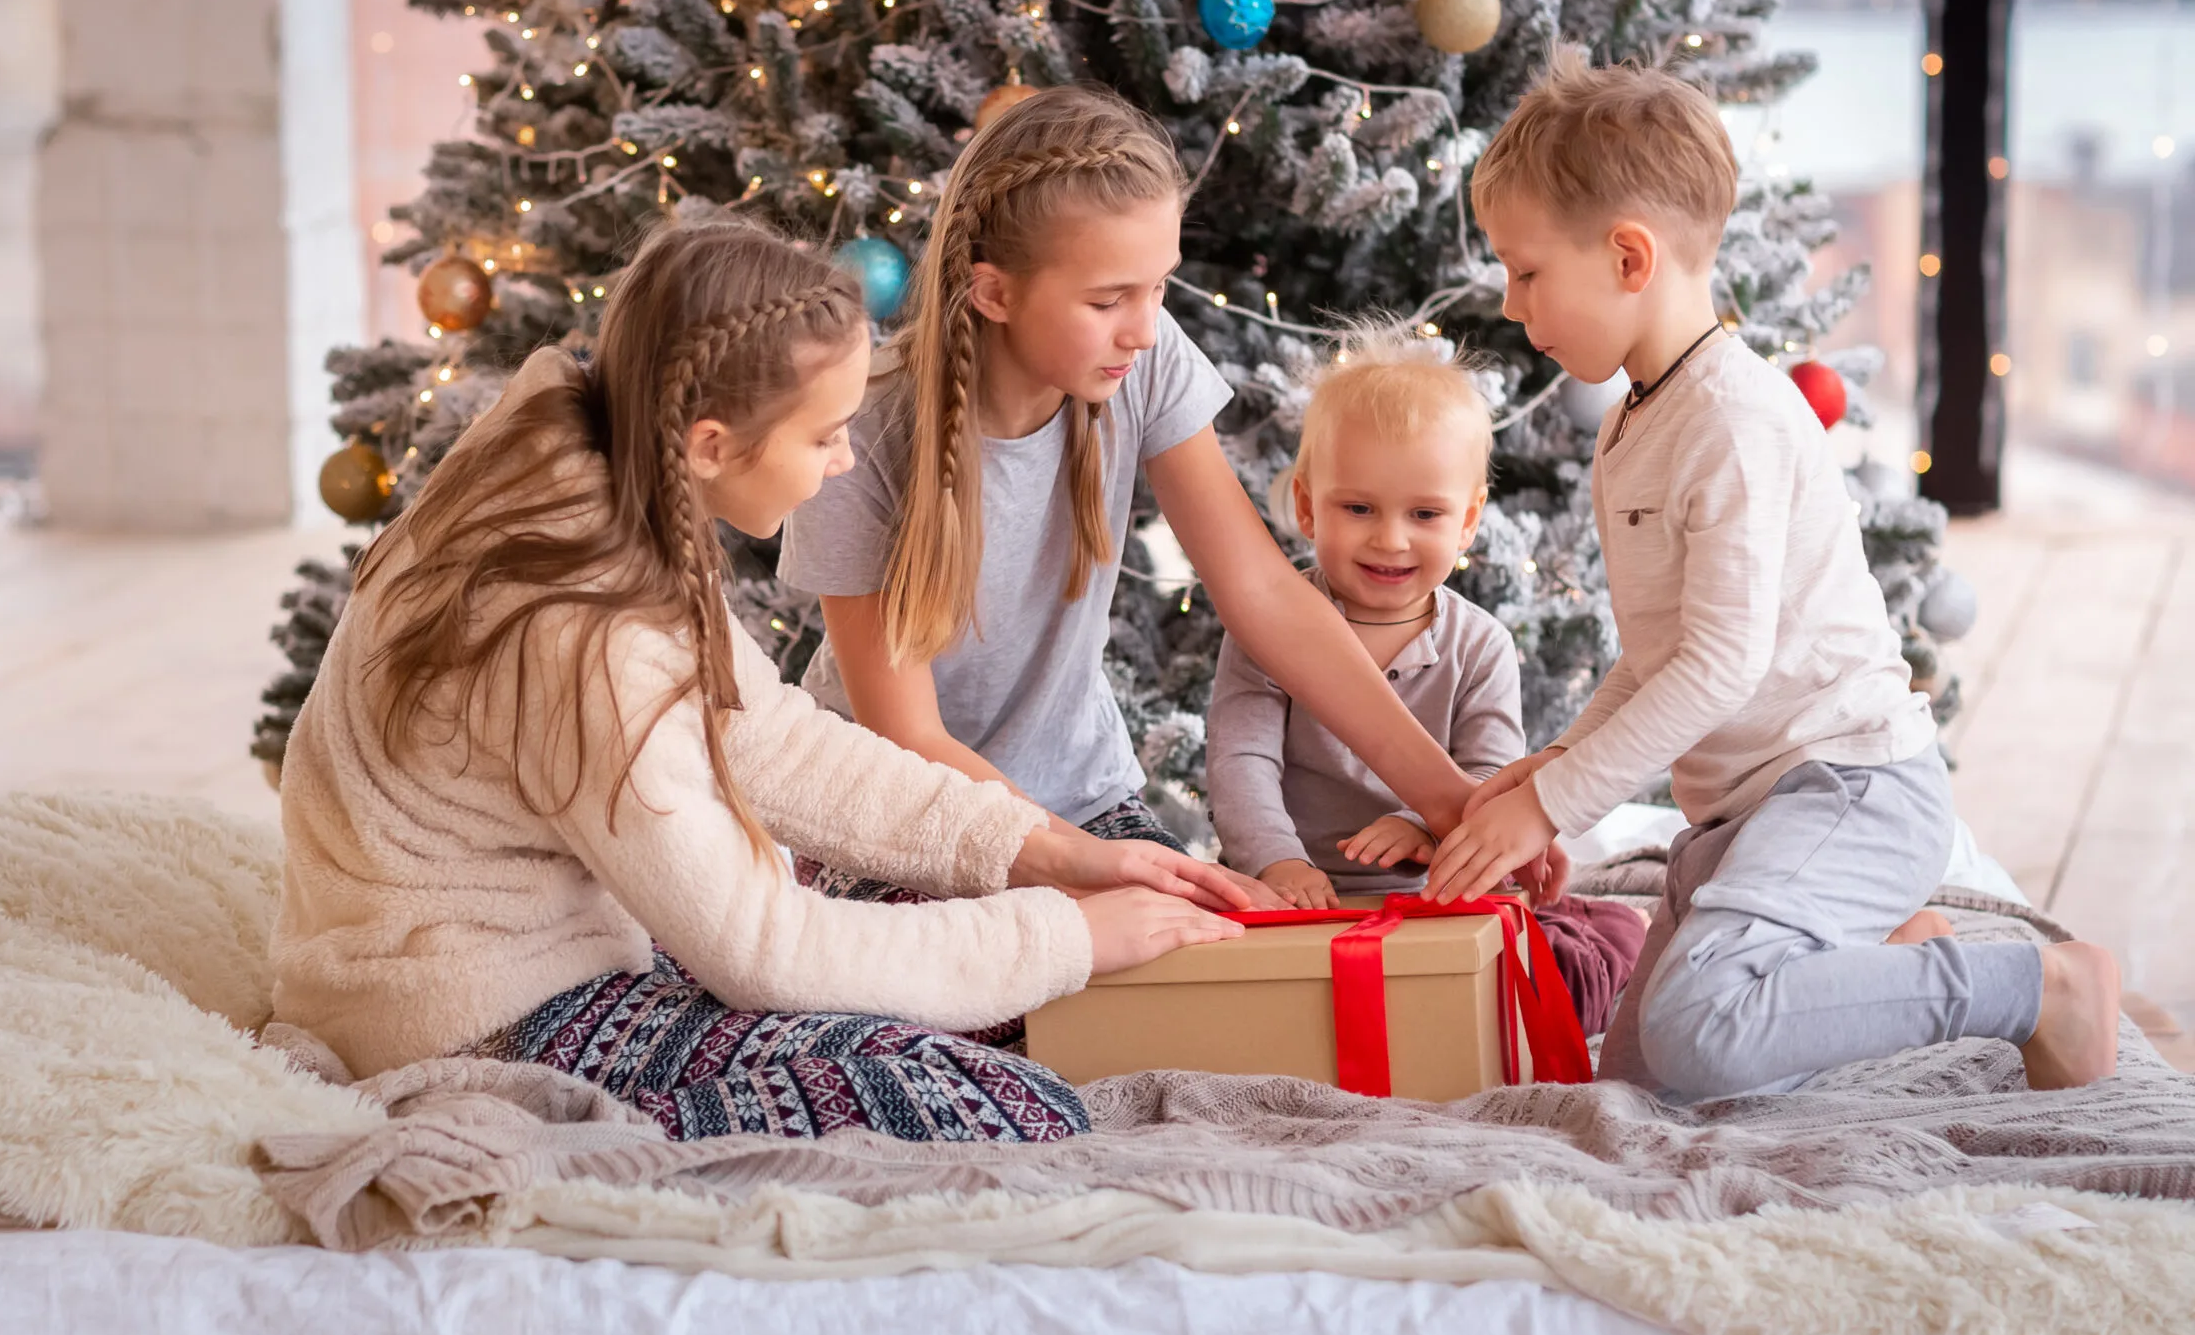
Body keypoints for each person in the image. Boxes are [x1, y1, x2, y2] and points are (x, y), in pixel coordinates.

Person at [271, 218, 1245, 1143]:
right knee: (1001, 1104)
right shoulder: (582, 632)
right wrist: (1063, 939)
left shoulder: (601, 482)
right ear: (709, 444)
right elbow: (757, 945)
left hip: (552, 961)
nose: (844, 459)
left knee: (995, 1003)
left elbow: (771, 737)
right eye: (823, 434)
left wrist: (1047, 855)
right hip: (467, 1020)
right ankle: (540, 1131)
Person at [1429, 46, 2119, 1098]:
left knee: (1706, 1033)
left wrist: (1557, 804)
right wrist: (1556, 760)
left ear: (1627, 258)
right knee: (1649, 1083)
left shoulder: (1730, 419)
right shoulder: (1636, 417)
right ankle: (1876, 950)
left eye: (1526, 273)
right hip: (1745, 815)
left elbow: (1719, 666)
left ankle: (2038, 985)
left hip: (1847, 784)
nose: (1514, 305)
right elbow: (1662, 656)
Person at [778, 84, 1554, 907]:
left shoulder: (1140, 359)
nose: (1144, 329)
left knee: (1214, 984)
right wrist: (1086, 870)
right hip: (903, 819)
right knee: (1039, 1000)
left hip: (1086, 800)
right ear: (993, 292)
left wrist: (1454, 802)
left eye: (1159, 289)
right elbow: (909, 736)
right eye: (1108, 300)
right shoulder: (855, 428)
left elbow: (1262, 594)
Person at [1206, 330, 1522, 904]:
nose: (1390, 539)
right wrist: (1277, 862)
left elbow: (1490, 777)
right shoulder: (1268, 624)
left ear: (1469, 521)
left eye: (1425, 513)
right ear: (1306, 506)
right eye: (1358, 508)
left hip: (1427, 897)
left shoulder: (1481, 646)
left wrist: (1421, 823)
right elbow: (1240, 762)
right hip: (1276, 889)